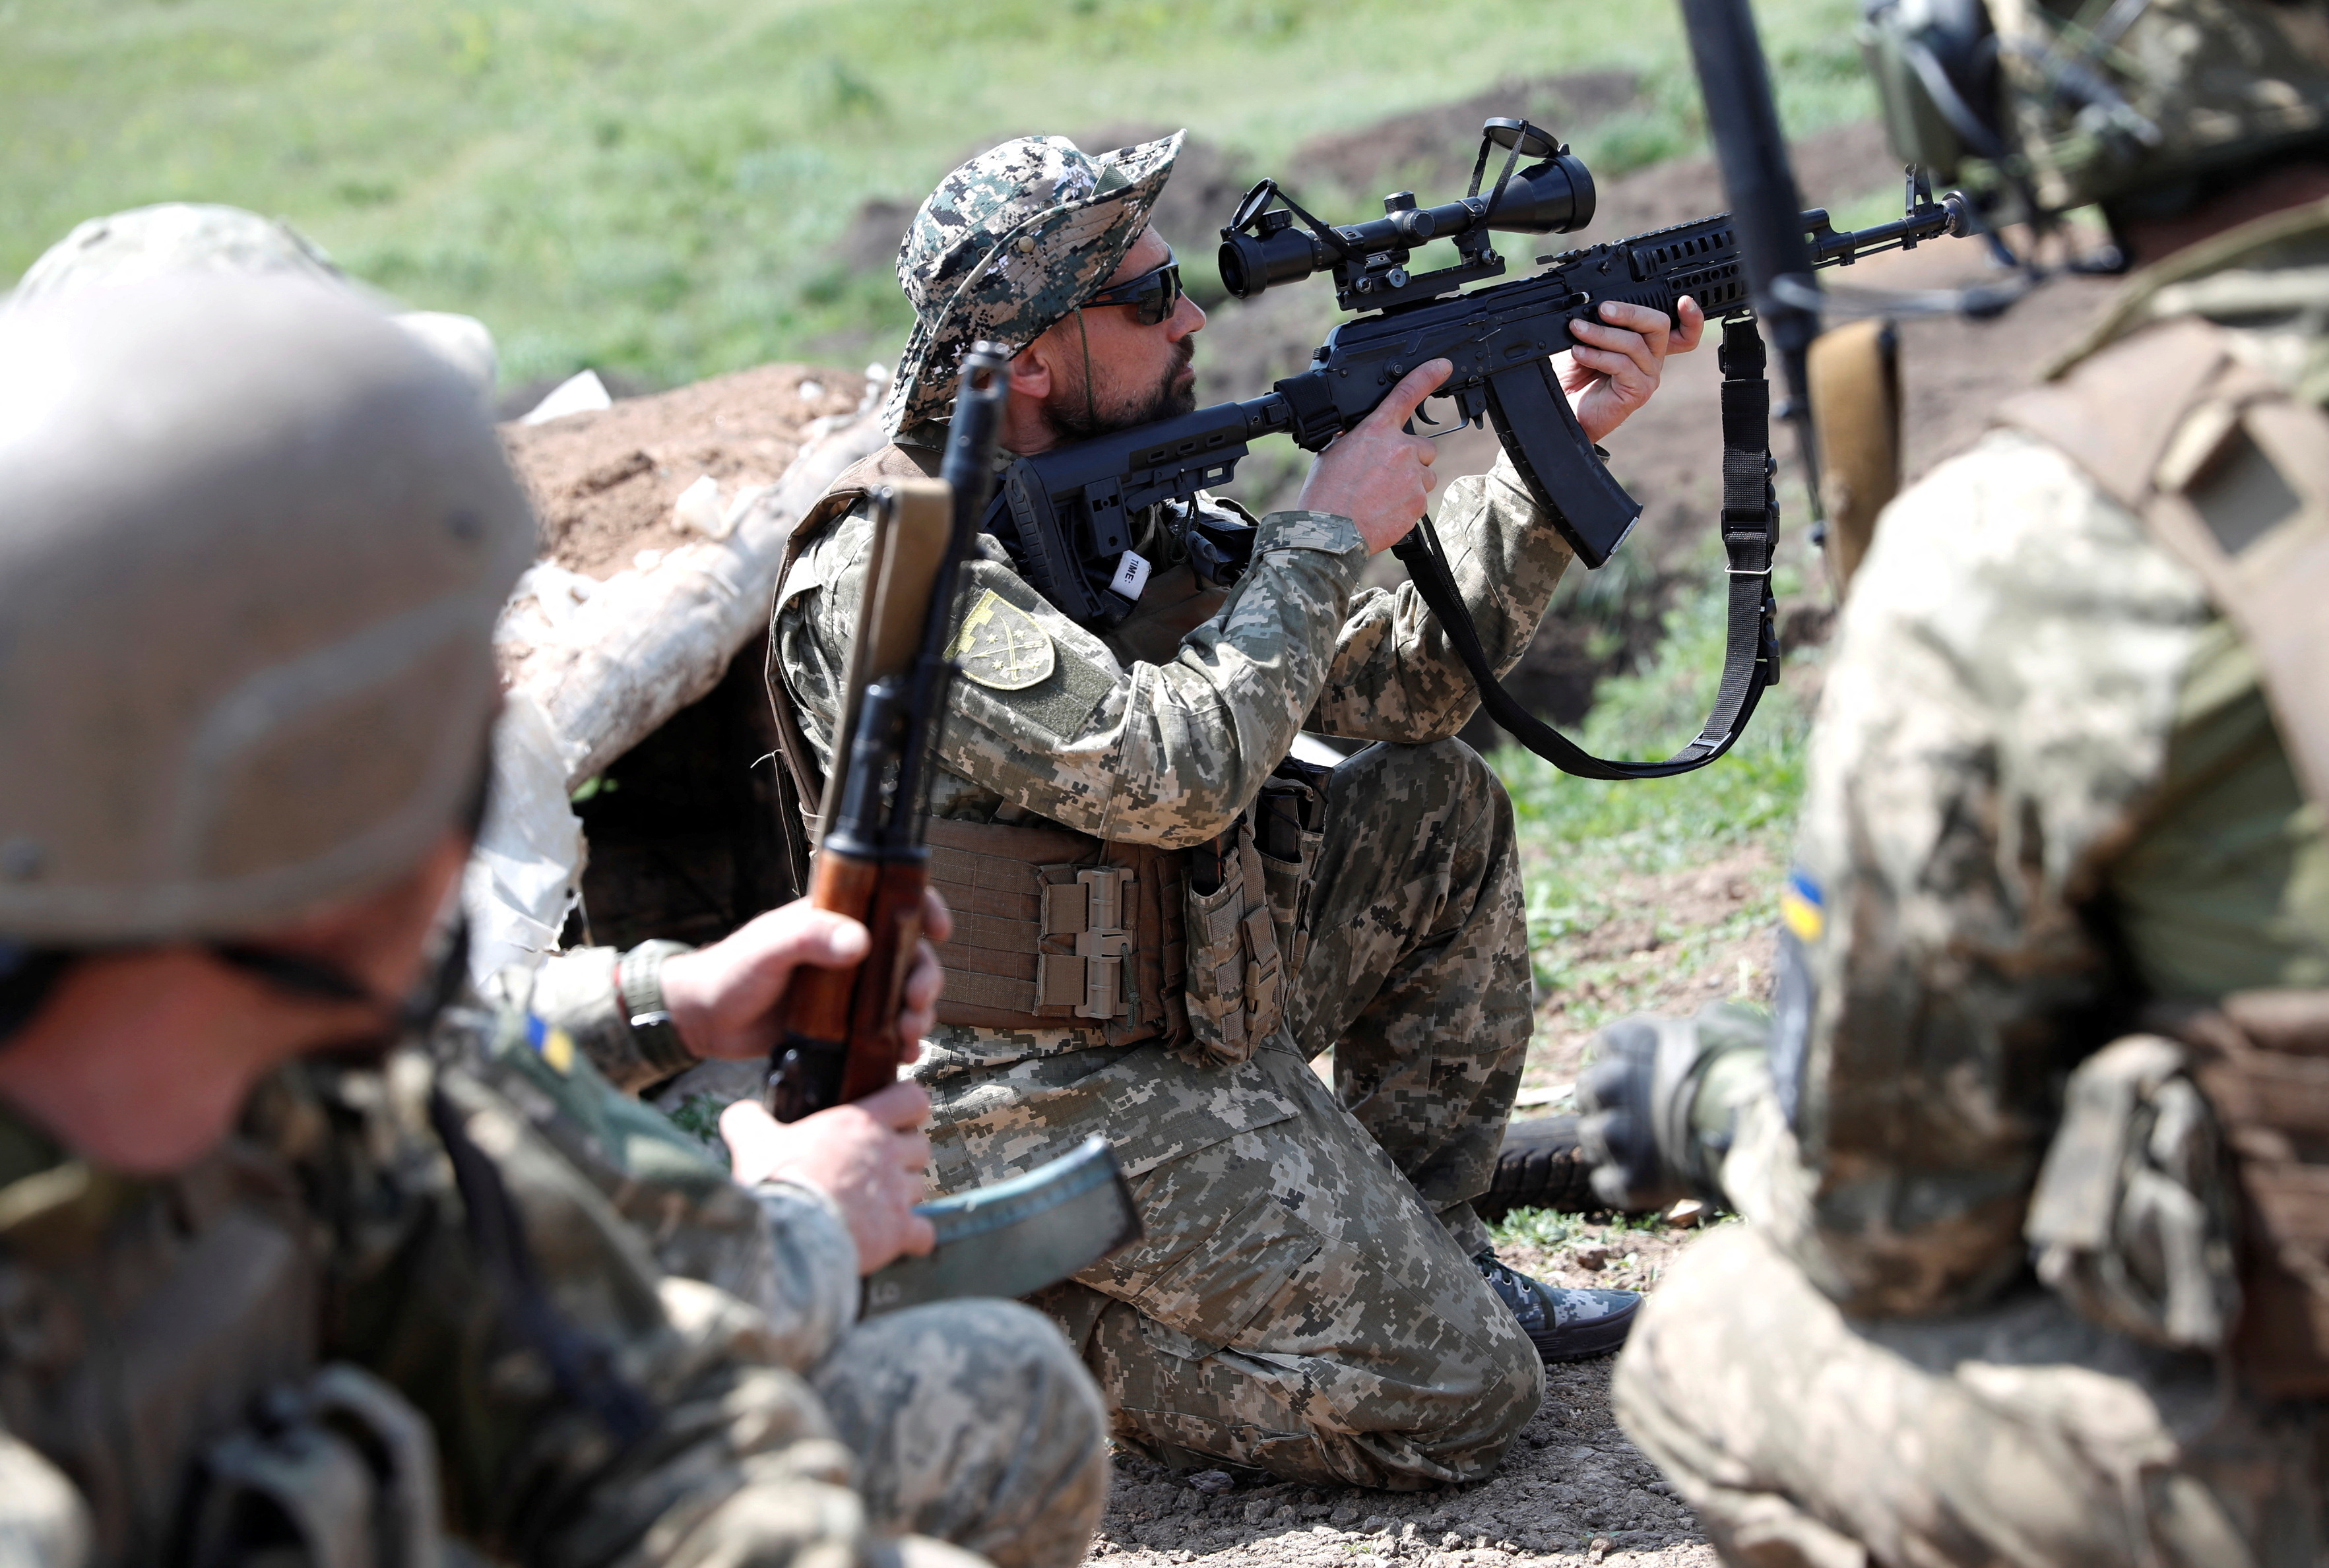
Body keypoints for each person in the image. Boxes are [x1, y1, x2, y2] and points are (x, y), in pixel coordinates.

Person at [0, 272, 1105, 1568]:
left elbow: (644, 1428)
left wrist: (663, 998)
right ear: (288, 806)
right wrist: (795, 1220)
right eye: (440, 731)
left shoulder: (306, 1090)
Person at [761, 130, 1702, 1488]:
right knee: (1456, 1397)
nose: (1190, 315)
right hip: (1005, 1090)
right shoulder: (898, 568)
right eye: (1146, 301)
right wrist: (1323, 535)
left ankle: (1435, 1243)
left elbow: (1406, 687)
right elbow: (1166, 775)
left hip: (1178, 997)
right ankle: (1054, 1326)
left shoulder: (1122, 514)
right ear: (1028, 359)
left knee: (1430, 806)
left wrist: (1554, 461)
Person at [1574, 1, 2329, 1559]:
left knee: (1715, 1336)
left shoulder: (2034, 541)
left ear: (1979, 90)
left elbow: (1896, 1226)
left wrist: (1716, 1105)